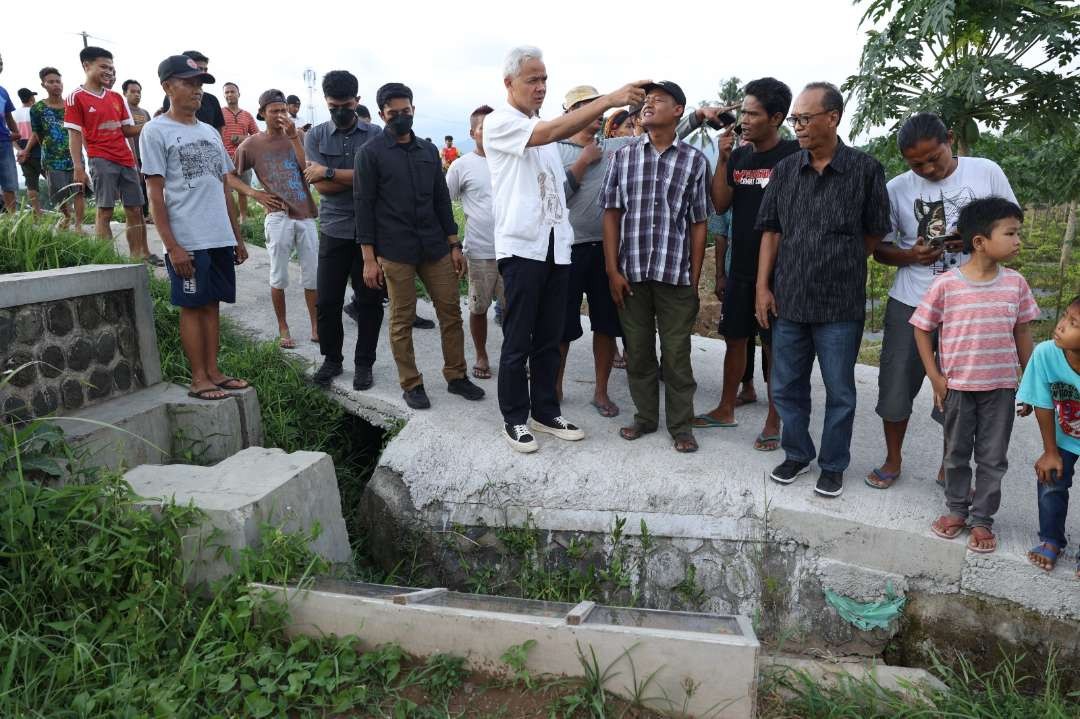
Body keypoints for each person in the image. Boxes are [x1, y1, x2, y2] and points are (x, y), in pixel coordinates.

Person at [483, 44, 646, 452]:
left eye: (543, 79)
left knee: (550, 336)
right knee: (518, 337)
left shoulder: (544, 132)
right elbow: (550, 132)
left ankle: (544, 410)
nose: (539, 87)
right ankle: (514, 418)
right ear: (509, 83)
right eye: (531, 79)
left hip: (557, 250)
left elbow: (556, 189)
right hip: (523, 250)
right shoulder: (503, 124)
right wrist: (608, 101)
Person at [867, 113, 1018, 490]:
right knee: (896, 381)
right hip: (912, 300)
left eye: (934, 157)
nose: (928, 168)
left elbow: (1010, 230)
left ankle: (948, 463)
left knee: (959, 386)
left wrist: (970, 241)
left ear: (949, 139)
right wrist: (911, 256)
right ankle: (893, 457)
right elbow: (880, 250)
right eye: (916, 164)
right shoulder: (897, 188)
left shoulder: (985, 172)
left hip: (970, 304)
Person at [755, 82, 891, 497]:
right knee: (785, 386)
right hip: (790, 300)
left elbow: (873, 234)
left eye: (804, 118)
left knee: (840, 390)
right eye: (795, 119)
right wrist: (763, 286)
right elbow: (772, 231)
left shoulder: (865, 170)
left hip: (839, 306)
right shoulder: (785, 171)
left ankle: (833, 464)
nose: (797, 126)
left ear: (832, 118)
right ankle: (797, 453)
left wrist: (838, 262)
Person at [911, 197, 1038, 553]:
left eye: (1018, 233)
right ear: (980, 242)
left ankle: (982, 520)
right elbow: (921, 329)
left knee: (993, 457)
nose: (1017, 241)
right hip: (958, 388)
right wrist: (935, 377)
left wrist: (1029, 383)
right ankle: (955, 511)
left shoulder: (1016, 284)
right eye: (1010, 233)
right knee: (955, 453)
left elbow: (1023, 333)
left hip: (1000, 388)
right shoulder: (947, 285)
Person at [356, 82, 485, 409]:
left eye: (406, 112)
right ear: (383, 114)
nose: (401, 117)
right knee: (402, 319)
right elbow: (364, 207)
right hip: (395, 251)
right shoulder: (370, 154)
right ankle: (411, 383)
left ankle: (456, 376)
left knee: (451, 313)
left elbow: (442, 201)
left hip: (435, 247)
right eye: (393, 113)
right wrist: (369, 259)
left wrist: (454, 244)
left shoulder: (428, 152)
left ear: (413, 110)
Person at [691, 78, 798, 453]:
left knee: (775, 345)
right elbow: (720, 205)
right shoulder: (739, 156)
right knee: (735, 338)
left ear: (776, 118)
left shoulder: (793, 156)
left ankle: (774, 418)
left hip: (781, 272)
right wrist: (722, 158)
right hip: (741, 267)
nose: (744, 121)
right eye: (744, 113)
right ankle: (725, 407)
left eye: (752, 114)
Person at [602, 81, 710, 453]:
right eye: (646, 101)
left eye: (658, 100)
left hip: (675, 274)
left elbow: (699, 222)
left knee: (677, 354)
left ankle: (681, 426)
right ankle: (645, 417)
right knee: (639, 350)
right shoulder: (624, 156)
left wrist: (694, 278)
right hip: (631, 273)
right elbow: (612, 214)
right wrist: (612, 270)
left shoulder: (694, 160)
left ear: (679, 110)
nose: (648, 105)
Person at [141, 55, 250, 401]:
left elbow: (223, 186)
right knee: (192, 304)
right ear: (167, 87)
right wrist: (172, 245)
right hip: (187, 238)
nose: (197, 91)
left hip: (218, 235)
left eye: (200, 84)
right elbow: (155, 194)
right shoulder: (155, 131)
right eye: (188, 83)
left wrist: (236, 236)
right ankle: (198, 377)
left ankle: (214, 371)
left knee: (212, 302)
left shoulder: (208, 132)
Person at [556, 84, 636, 419]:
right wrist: (582, 163)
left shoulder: (612, 147)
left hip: (606, 250)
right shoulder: (552, 149)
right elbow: (555, 199)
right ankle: (555, 387)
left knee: (606, 324)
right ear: (570, 113)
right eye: (586, 107)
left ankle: (601, 391)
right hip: (567, 250)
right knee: (560, 325)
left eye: (597, 107)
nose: (595, 114)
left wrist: (697, 118)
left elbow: (652, 138)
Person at [303, 70, 385, 391]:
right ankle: (332, 359)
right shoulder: (316, 137)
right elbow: (321, 187)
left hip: (371, 234)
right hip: (334, 230)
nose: (340, 111)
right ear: (326, 102)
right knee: (328, 301)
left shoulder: (376, 134)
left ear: (357, 102)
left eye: (346, 105)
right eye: (334, 105)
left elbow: (375, 182)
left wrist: (330, 171)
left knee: (369, 303)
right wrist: (346, 178)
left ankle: (364, 364)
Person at [230, 89, 320, 351]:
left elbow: (308, 172)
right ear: (262, 114)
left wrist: (294, 137)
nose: (281, 115)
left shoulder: (299, 135)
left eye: (283, 110)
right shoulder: (251, 145)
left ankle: (315, 325)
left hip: (305, 214)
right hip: (277, 216)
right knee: (278, 275)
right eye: (275, 111)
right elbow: (230, 176)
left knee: (312, 275)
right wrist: (255, 193)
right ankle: (283, 327)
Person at [66, 46, 157, 264]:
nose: (109, 71)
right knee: (105, 210)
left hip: (126, 160)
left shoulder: (117, 97)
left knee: (135, 208)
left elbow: (127, 130)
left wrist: (154, 125)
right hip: (100, 159)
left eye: (111, 67)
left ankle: (140, 256)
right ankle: (107, 261)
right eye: (103, 66)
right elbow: (74, 135)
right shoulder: (75, 98)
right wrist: (78, 167)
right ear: (86, 66)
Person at [1019, 295, 1080, 574]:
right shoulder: (1046, 353)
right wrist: (1050, 451)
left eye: (1073, 323)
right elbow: (1042, 401)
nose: (1060, 326)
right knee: (1051, 478)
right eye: (1065, 316)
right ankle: (1051, 539)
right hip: (1065, 434)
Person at [445, 104, 504, 380]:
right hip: (480, 251)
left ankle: (517, 356)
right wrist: (453, 245)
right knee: (479, 307)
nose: (490, 134)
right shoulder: (461, 166)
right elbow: (444, 205)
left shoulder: (510, 160)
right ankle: (481, 354)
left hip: (514, 251)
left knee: (516, 311)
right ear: (472, 133)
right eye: (484, 129)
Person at [24, 67, 84, 229]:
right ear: (43, 85)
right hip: (52, 158)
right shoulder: (37, 109)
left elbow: (80, 129)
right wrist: (49, 146)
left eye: (58, 81)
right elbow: (37, 132)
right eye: (51, 82)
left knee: (80, 190)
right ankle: (66, 215)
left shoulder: (71, 105)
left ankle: (78, 226)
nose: (56, 85)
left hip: (74, 156)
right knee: (59, 193)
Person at [220, 82, 260, 217]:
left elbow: (257, 136)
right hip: (224, 157)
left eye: (232, 91)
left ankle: (243, 219)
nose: (230, 94)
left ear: (238, 94)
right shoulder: (219, 112)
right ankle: (228, 219)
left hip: (244, 157)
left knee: (243, 190)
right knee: (224, 190)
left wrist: (241, 138)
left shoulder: (247, 115)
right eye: (227, 92)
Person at [161, 51, 225, 131]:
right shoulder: (170, 99)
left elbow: (218, 129)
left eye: (205, 69)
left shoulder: (212, 100)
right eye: (199, 69)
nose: (202, 72)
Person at [122, 80, 152, 222]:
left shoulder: (145, 113)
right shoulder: (123, 111)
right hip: (128, 156)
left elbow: (151, 133)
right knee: (135, 185)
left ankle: (148, 215)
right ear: (125, 93)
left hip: (145, 155)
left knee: (148, 185)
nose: (136, 94)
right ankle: (137, 215)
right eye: (132, 92)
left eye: (138, 92)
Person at [14, 88, 43, 213]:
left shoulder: (14, 114)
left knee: (31, 184)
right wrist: (27, 149)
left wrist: (20, 151)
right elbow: (37, 133)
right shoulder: (35, 111)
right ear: (31, 98)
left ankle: (37, 214)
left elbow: (10, 136)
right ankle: (67, 210)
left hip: (22, 153)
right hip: (38, 149)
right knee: (52, 180)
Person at [0, 53, 21, 213]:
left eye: (0, 61)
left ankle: (13, 223)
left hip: (4, 143)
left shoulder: (3, 92)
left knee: (9, 183)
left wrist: (16, 132)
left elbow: (8, 115)